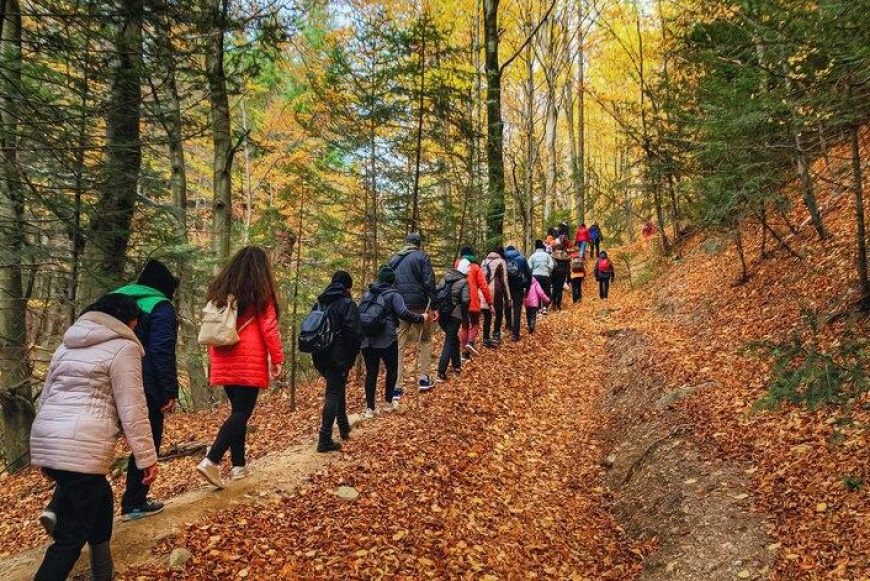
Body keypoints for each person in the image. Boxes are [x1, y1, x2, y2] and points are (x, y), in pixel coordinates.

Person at [31, 294, 158, 581]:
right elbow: (133, 408)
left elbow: (47, 398)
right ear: (127, 321)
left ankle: (102, 572)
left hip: (49, 436)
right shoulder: (123, 347)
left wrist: (46, 451)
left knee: (101, 495)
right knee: (69, 540)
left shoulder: (66, 345)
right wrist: (146, 458)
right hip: (80, 443)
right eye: (136, 323)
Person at [196, 247, 284, 488]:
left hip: (222, 353)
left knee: (237, 411)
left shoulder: (221, 290)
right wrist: (277, 359)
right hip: (248, 356)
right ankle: (211, 461)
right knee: (242, 412)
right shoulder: (260, 292)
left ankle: (238, 466)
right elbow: (269, 329)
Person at [112, 259, 179, 521]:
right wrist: (168, 391)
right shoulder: (160, 307)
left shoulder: (113, 300)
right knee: (148, 439)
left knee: (93, 444)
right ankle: (135, 502)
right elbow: (161, 350)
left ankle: (59, 509)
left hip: (102, 381)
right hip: (142, 384)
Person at [359, 266, 427, 416]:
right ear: (393, 280)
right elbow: (403, 313)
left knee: (371, 372)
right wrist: (421, 318)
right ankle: (389, 402)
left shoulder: (367, 294)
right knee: (392, 369)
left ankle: (370, 408)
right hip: (386, 339)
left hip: (367, 340)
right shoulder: (394, 294)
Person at [313, 271, 362, 453]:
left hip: (319, 355)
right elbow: (354, 334)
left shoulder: (320, 302)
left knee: (337, 386)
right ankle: (324, 439)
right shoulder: (347, 304)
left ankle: (343, 427)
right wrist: (351, 356)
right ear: (347, 287)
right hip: (338, 356)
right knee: (333, 392)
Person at [389, 233, 437, 391]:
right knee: (425, 340)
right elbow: (429, 281)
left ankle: (397, 384)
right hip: (420, 307)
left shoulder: (394, 259)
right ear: (419, 244)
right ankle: (423, 378)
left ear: (406, 243)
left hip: (400, 307)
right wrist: (434, 306)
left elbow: (388, 283)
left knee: (400, 346)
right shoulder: (422, 257)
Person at [436, 261, 471, 382]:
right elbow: (466, 301)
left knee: (453, 338)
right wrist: (464, 315)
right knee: (450, 341)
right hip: (454, 314)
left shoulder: (445, 278)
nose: (469, 270)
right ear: (464, 269)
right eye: (468, 268)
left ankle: (456, 366)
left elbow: (436, 293)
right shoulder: (464, 281)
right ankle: (441, 371)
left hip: (442, 314)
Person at [456, 247, 492, 358]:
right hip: (473, 301)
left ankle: (464, 353)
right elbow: (484, 286)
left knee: (464, 326)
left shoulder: (457, 264)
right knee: (475, 324)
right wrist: (490, 303)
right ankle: (470, 342)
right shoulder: (475, 267)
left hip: (460, 300)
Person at [481, 247, 510, 347]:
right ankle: (496, 336)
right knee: (498, 313)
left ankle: (485, 338)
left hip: (484, 291)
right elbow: (504, 280)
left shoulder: (484, 261)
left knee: (487, 315)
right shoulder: (501, 261)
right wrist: (508, 298)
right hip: (496, 291)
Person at [504, 246, 532, 341]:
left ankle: (508, 325)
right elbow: (528, 274)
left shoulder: (503, 258)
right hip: (519, 286)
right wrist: (527, 288)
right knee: (517, 309)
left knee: (507, 304)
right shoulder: (521, 258)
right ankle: (515, 335)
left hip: (507, 286)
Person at [528, 240, 555, 312]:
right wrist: (548, 272)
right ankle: (545, 308)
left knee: (537, 292)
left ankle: (538, 308)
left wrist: (532, 274)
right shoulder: (547, 255)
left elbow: (529, 267)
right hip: (545, 276)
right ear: (543, 247)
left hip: (535, 276)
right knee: (546, 291)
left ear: (535, 247)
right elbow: (551, 265)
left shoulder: (532, 256)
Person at [550, 241, 571, 310]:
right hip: (562, 273)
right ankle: (558, 305)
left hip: (554, 273)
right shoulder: (565, 254)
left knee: (554, 289)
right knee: (560, 289)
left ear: (556, 247)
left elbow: (551, 265)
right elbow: (568, 264)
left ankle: (553, 304)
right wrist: (568, 275)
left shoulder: (553, 254)